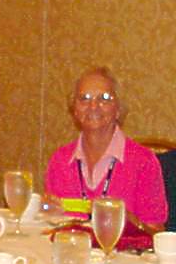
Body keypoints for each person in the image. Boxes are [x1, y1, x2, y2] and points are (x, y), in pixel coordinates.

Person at [44, 67, 167, 249]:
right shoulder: (60, 160)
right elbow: (51, 228)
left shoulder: (143, 162)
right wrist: (47, 211)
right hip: (73, 256)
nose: (93, 106)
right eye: (84, 98)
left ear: (118, 109)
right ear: (75, 110)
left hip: (125, 261)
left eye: (104, 98)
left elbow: (157, 236)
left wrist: (128, 221)